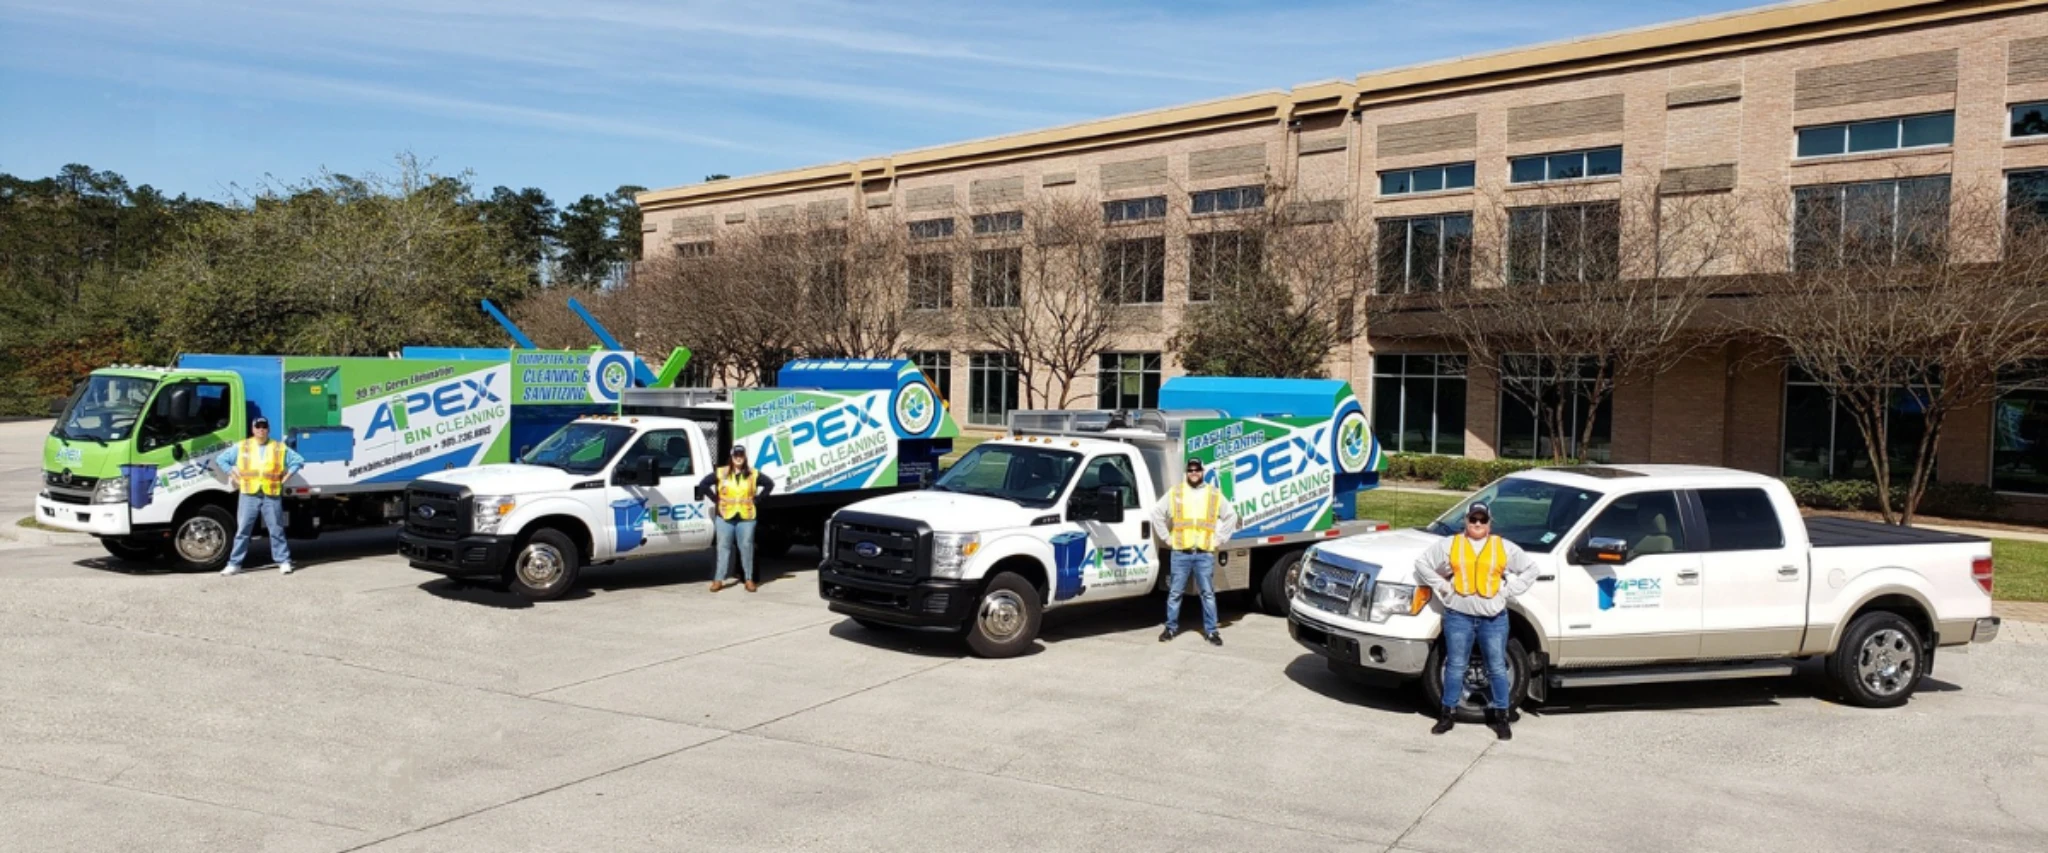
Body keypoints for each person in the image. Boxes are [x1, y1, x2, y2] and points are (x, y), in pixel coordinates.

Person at [1413, 502, 1540, 740]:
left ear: (1490, 522)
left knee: (1496, 668)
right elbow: (1422, 564)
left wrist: (1507, 591)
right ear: (1466, 521)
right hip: (1458, 616)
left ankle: (1502, 715)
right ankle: (1447, 714)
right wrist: (1442, 586)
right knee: (1456, 666)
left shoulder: (1503, 546)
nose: (1478, 524)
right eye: (1473, 520)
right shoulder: (1451, 544)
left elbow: (1531, 569)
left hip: (1493, 618)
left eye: (1482, 520)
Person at [1152, 458, 1237, 646]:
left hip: (1204, 553)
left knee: (1207, 593)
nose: (1193, 473)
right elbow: (1156, 513)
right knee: (1175, 593)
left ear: (1202, 471)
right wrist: (1166, 538)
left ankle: (1211, 631)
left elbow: (1231, 516)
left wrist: (1219, 539)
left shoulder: (1213, 494)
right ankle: (1170, 628)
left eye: (1197, 469)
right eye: (1190, 470)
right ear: (1186, 472)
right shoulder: (1176, 492)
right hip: (1181, 552)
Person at [216, 417, 306, 576]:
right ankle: (234, 564)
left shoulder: (278, 447)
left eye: (264, 427)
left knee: (276, 529)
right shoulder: (243, 446)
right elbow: (221, 460)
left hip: (271, 493)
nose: (261, 430)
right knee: (243, 530)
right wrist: (232, 474)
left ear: (268, 429)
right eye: (258, 426)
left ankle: (283, 561)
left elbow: (298, 461)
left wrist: (287, 477)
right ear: (253, 429)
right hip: (249, 493)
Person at [695, 446, 775, 592]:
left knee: (746, 547)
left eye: (741, 455)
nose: (738, 458)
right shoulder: (722, 472)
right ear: (731, 457)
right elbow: (703, 484)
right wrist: (715, 499)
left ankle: (749, 579)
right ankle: (718, 580)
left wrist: (758, 499)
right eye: (736, 455)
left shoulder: (752, 473)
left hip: (746, 516)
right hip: (725, 516)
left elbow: (769, 484)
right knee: (723, 547)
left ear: (745, 457)